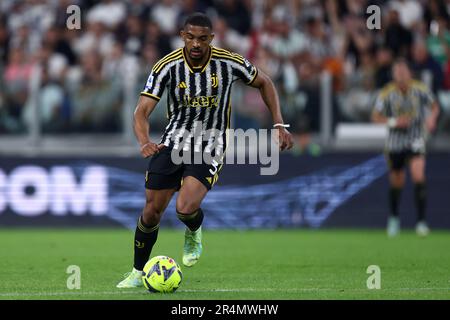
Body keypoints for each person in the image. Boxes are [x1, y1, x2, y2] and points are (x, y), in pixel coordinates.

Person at [117, 12, 293, 288]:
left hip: (210, 144)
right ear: (182, 37)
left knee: (185, 208)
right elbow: (142, 111)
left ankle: (194, 228)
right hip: (172, 143)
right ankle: (138, 272)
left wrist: (279, 123)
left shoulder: (229, 62)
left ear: (211, 38)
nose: (196, 44)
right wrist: (144, 141)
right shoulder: (166, 66)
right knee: (151, 211)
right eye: (190, 37)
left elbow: (265, 82)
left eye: (202, 38)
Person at [372, 59, 439, 237]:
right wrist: (394, 121)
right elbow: (376, 116)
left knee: (418, 175)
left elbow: (434, 106)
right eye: (397, 71)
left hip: (416, 138)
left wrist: (431, 119)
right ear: (393, 74)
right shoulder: (387, 93)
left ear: (410, 73)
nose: (400, 75)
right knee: (397, 181)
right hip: (395, 142)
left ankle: (421, 222)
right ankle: (394, 219)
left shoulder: (420, 89)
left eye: (403, 71)